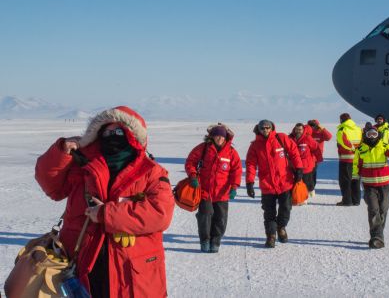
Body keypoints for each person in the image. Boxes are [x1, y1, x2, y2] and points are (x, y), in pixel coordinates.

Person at [34, 106, 175, 298]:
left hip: (131, 269)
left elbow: (160, 213)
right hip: (83, 261)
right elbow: (52, 186)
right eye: (105, 132)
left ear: (132, 136)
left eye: (118, 131)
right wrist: (61, 152)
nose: (112, 136)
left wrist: (106, 214)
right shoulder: (83, 166)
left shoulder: (151, 172)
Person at [245, 119, 303, 248]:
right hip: (267, 185)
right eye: (263, 128)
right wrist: (249, 182)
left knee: (286, 208)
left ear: (271, 128)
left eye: (267, 127)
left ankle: (281, 227)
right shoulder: (255, 145)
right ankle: (271, 236)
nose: (265, 130)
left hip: (285, 182)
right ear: (258, 130)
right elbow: (251, 165)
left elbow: (294, 152)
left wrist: (299, 168)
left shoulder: (281, 138)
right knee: (269, 212)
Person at [185, 124, 242, 253]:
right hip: (205, 190)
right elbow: (190, 162)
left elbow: (236, 171)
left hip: (222, 192)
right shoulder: (203, 148)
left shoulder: (231, 152)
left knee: (220, 218)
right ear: (212, 137)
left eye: (222, 136)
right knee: (205, 216)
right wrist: (193, 176)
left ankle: (215, 241)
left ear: (225, 137)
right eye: (217, 136)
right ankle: (205, 240)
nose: (219, 139)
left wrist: (234, 187)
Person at [352, 128, 389, 248]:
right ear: (366, 135)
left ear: (378, 135)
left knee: (383, 210)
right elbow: (356, 165)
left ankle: (379, 233)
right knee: (374, 210)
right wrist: (354, 179)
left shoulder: (385, 146)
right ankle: (376, 237)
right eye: (370, 134)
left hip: (384, 185)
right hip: (369, 186)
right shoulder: (360, 149)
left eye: (374, 134)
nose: (372, 136)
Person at [336, 113, 363, 206]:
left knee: (345, 180)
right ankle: (356, 200)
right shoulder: (358, 129)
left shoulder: (342, 129)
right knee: (355, 179)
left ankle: (347, 201)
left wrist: (352, 148)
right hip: (357, 158)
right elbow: (362, 142)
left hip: (346, 159)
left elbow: (343, 141)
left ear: (342, 120)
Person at [289, 123, 319, 199]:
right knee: (296, 180)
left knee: (307, 181)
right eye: (297, 129)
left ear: (303, 130)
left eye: (300, 129)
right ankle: (298, 195)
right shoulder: (290, 138)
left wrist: (318, 158)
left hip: (306, 165)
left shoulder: (307, 138)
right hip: (294, 164)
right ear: (294, 129)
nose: (298, 131)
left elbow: (316, 148)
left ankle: (310, 190)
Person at [307, 119, 332, 193]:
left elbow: (329, 137)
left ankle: (311, 188)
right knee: (307, 173)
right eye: (310, 125)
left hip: (316, 157)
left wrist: (322, 128)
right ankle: (307, 188)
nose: (312, 127)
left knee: (313, 173)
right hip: (307, 157)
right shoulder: (307, 133)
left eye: (314, 125)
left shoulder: (321, 133)